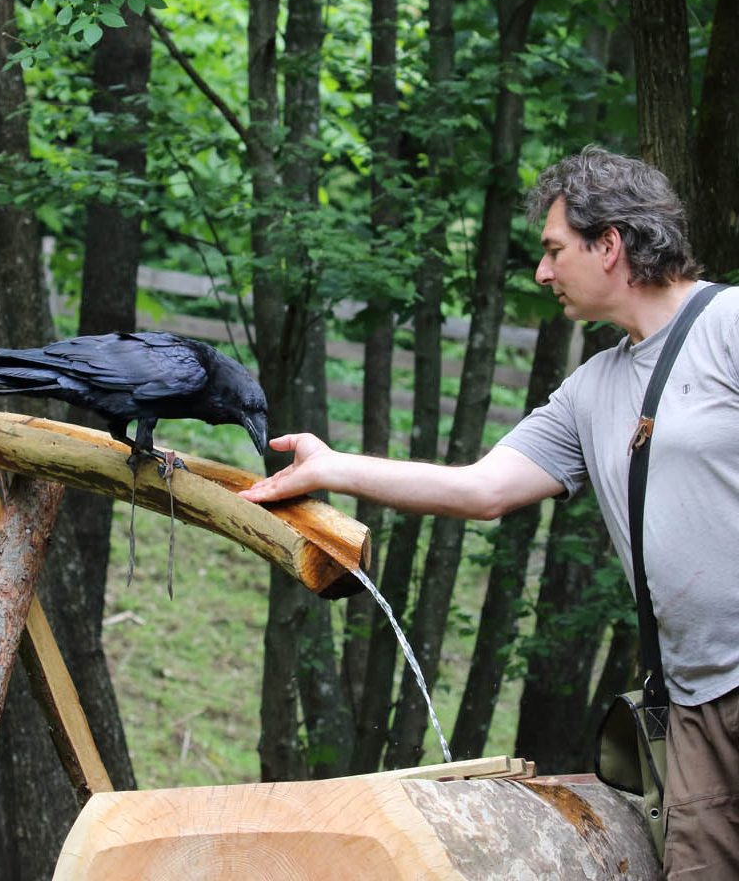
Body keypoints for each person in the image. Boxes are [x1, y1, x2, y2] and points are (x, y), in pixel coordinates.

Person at [239, 145, 739, 878]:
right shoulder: (591, 389)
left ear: (610, 245)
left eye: (553, 250)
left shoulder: (728, 324)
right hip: (694, 713)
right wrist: (332, 468)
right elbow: (482, 490)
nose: (542, 273)